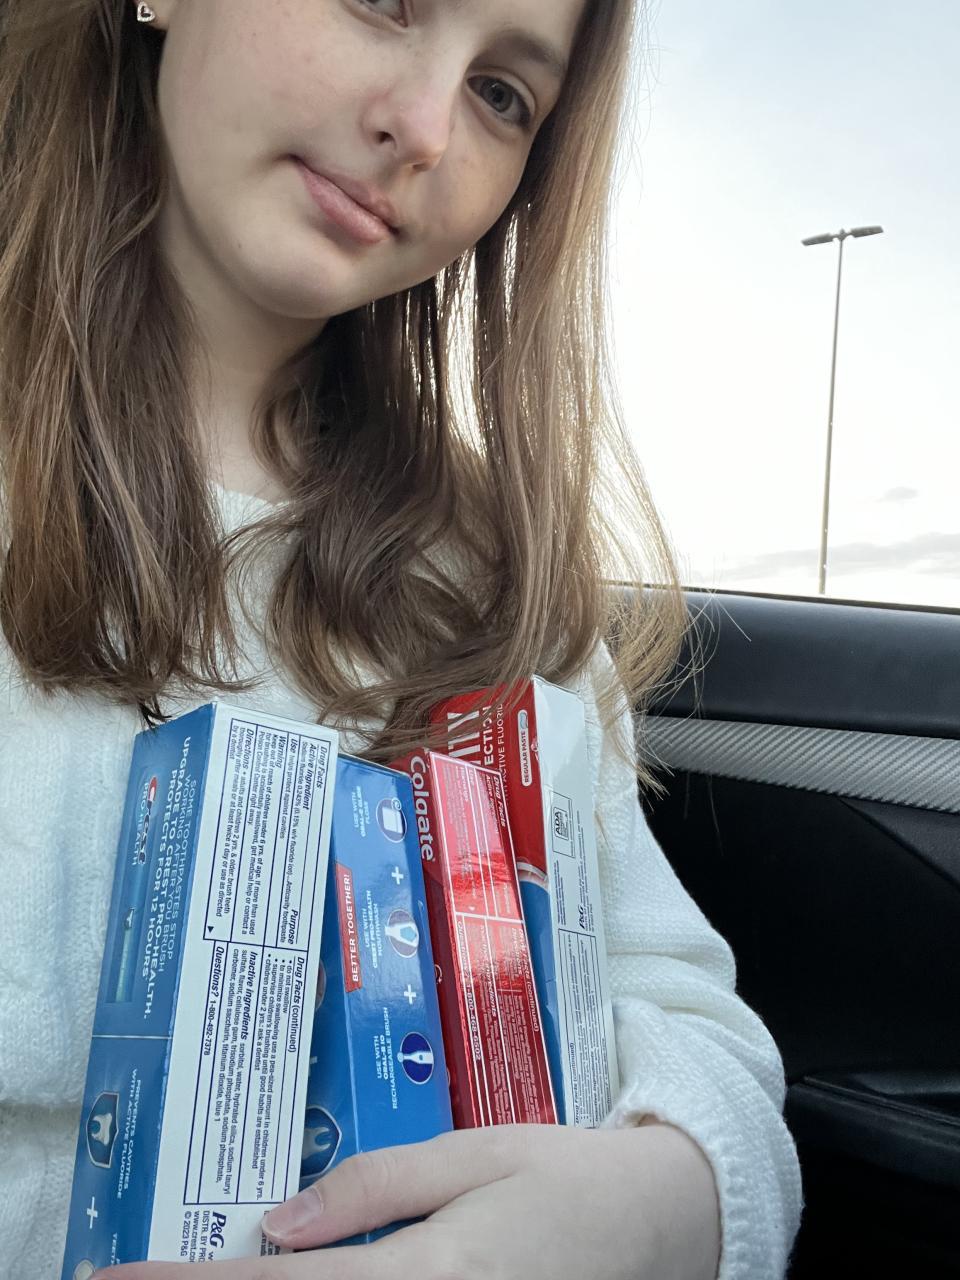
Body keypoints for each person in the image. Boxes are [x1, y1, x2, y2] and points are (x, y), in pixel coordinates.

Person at [0, 0, 803, 1277]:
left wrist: (649, 1207)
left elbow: (690, 1023)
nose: (426, 128)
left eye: (502, 95)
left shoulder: (488, 575)